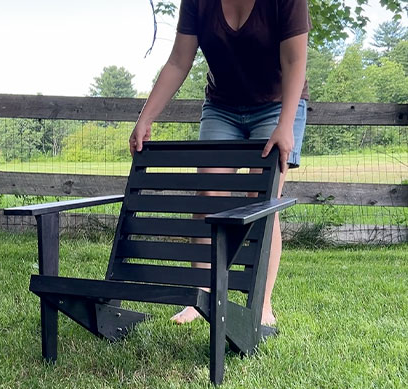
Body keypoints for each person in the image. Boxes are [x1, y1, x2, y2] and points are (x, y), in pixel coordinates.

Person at [129, 0, 310, 328]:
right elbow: (179, 60)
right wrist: (146, 117)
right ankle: (202, 298)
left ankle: (262, 304)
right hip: (222, 108)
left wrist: (285, 124)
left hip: (278, 105)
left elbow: (295, 58)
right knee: (207, 201)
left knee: (263, 203)